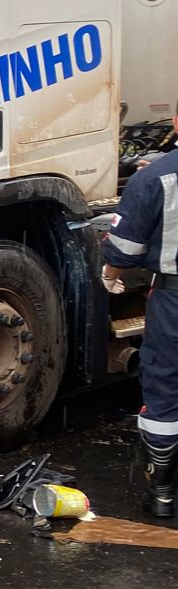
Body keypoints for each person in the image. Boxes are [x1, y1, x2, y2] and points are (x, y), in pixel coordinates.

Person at [103, 123, 178, 518]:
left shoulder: (155, 177)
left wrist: (110, 275)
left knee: (165, 390)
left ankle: (163, 494)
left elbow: (124, 248)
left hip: (173, 298)